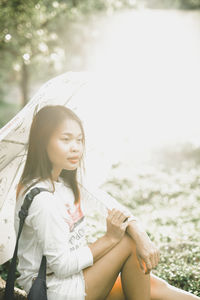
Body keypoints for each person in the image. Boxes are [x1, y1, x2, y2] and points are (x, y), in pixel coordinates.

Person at [15, 105, 199, 300]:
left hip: (74, 277)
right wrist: (110, 239)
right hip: (54, 290)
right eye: (66, 139)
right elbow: (62, 266)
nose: (76, 147)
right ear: (43, 142)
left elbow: (113, 207)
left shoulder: (65, 181)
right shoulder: (43, 200)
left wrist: (141, 234)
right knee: (128, 244)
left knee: (152, 285)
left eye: (79, 140)